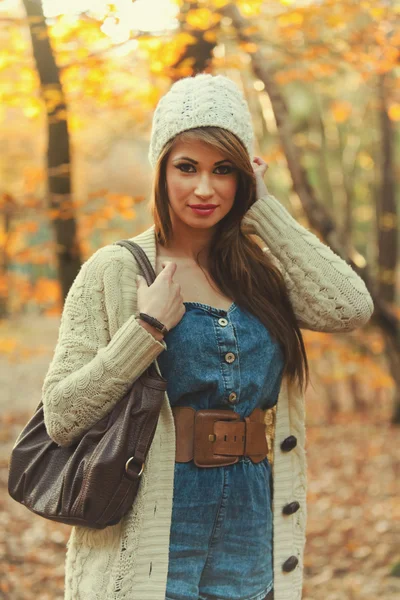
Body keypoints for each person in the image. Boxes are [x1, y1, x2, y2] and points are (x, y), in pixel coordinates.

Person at [41, 73, 374, 600]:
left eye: (223, 170)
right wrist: (144, 330)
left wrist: (265, 210)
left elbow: (349, 306)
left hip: (250, 533)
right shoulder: (113, 271)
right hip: (151, 535)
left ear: (243, 177)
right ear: (161, 171)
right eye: (186, 167)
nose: (204, 188)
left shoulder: (262, 274)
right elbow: (61, 415)